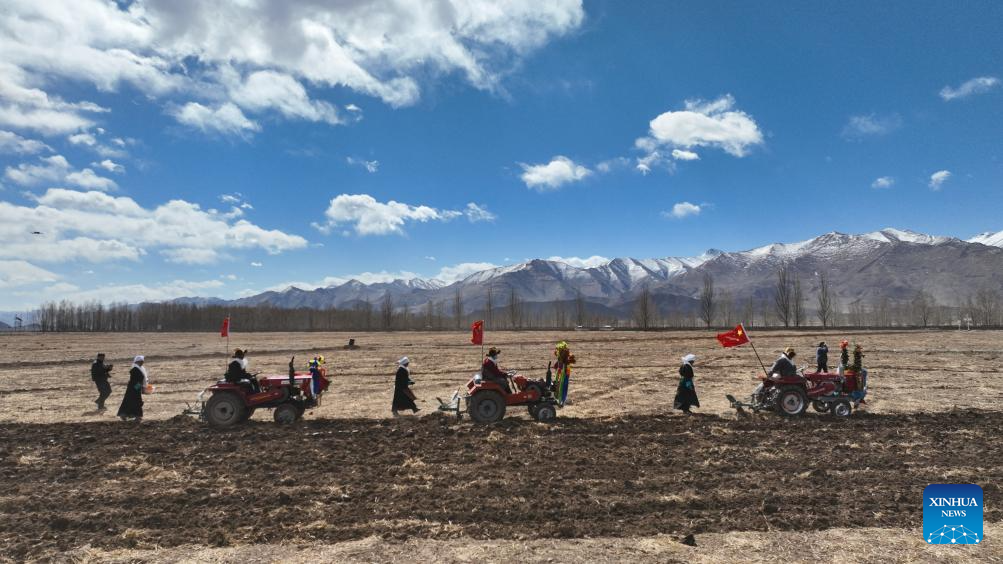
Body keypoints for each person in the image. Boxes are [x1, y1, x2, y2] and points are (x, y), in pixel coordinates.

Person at [117, 355, 146, 421]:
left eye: (142, 361)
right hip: (134, 387)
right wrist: (138, 387)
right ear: (137, 361)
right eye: (141, 361)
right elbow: (136, 380)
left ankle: (125, 415)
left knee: (131, 401)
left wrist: (141, 387)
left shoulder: (139, 368)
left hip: (135, 387)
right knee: (135, 401)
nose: (142, 363)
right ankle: (137, 416)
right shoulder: (135, 369)